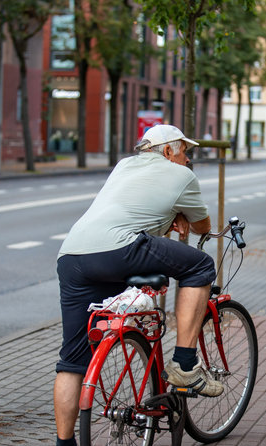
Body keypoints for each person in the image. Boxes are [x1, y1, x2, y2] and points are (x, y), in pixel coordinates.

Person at [53, 124, 222, 446]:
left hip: (72, 256)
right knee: (200, 265)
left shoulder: (123, 165)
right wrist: (183, 215)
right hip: (119, 249)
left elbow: (136, 203)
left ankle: (64, 443)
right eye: (186, 152)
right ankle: (185, 364)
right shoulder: (182, 176)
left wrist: (171, 213)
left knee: (72, 361)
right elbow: (202, 226)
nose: (188, 160)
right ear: (169, 151)